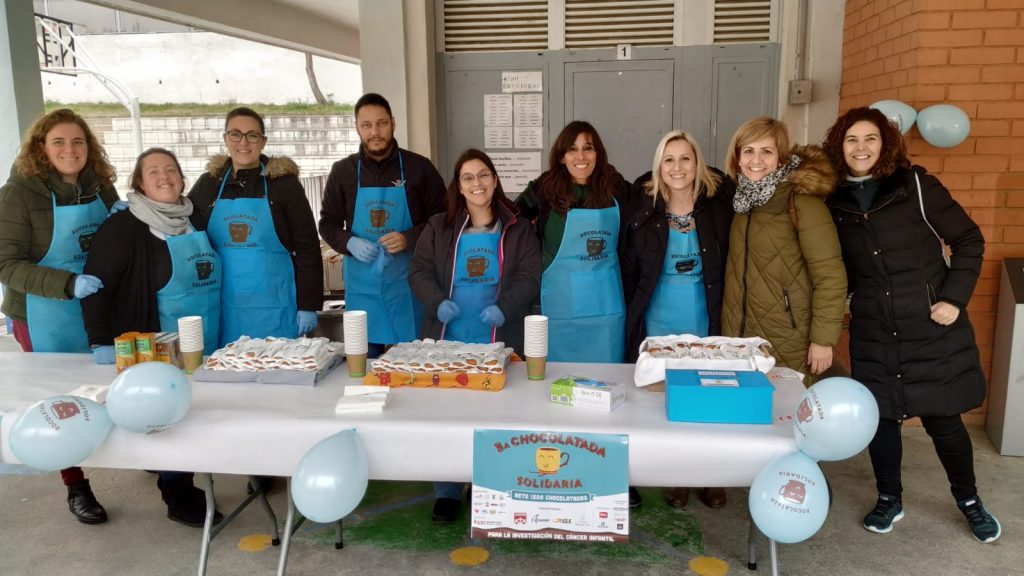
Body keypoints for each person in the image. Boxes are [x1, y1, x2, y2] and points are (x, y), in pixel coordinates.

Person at [823, 107, 999, 543]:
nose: (860, 148)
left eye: (870, 139)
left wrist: (954, 298)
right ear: (838, 146)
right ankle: (889, 498)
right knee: (882, 420)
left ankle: (970, 501)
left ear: (885, 144)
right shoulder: (833, 200)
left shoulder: (916, 185)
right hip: (875, 329)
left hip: (930, 326)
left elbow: (968, 239)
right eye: (851, 140)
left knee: (944, 420)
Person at [82, 148, 224, 527]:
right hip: (156, 342)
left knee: (196, 411)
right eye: (153, 172)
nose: (165, 177)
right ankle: (177, 492)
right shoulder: (124, 227)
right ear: (139, 184)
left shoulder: (196, 217)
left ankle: (176, 467)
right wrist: (99, 340)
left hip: (205, 335)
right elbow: (97, 285)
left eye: (171, 170)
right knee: (167, 412)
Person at [0, 108, 119, 524]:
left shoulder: (100, 186)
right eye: (59, 142)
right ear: (41, 148)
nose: (70, 150)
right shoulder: (19, 192)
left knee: (111, 386)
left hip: (97, 306)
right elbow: (6, 263)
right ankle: (76, 483)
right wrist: (69, 284)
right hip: (42, 311)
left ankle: (141, 458)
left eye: (78, 141)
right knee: (59, 401)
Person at [409, 149, 541, 523]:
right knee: (446, 416)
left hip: (500, 339)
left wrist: (506, 306)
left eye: (483, 175)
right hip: (448, 339)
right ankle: (448, 490)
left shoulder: (517, 227)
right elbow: (418, 272)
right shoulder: (439, 227)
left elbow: (530, 276)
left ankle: (494, 485)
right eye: (468, 177)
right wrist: (437, 302)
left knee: (500, 419)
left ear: (495, 180)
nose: (477, 183)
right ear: (459, 185)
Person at [622, 130, 734, 510]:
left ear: (698, 163)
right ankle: (679, 478)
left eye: (685, 158)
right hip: (658, 319)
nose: (677, 167)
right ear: (659, 166)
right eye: (669, 159)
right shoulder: (644, 210)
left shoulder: (719, 207)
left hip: (705, 315)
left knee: (707, 402)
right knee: (668, 405)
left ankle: (711, 477)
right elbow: (630, 268)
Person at [319, 93, 446, 356]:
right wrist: (350, 243)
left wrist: (409, 237)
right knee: (365, 369)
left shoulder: (419, 168)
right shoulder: (342, 172)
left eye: (381, 123)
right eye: (366, 125)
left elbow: (443, 220)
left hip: (410, 289)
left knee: (414, 370)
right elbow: (327, 224)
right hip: (362, 289)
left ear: (393, 123)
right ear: (357, 127)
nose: (375, 132)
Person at [720, 116, 846, 381]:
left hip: (787, 336)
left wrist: (823, 340)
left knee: (787, 414)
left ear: (781, 158)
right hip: (738, 336)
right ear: (737, 158)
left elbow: (830, 276)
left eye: (767, 152)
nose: (757, 160)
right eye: (749, 151)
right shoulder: (740, 202)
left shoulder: (801, 203)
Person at [188, 106, 322, 347]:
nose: (244, 142)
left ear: (263, 141)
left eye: (252, 135)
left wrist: (308, 304)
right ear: (226, 139)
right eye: (236, 134)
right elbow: (182, 223)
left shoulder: (284, 184)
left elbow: (307, 246)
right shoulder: (209, 183)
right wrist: (133, 209)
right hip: (225, 306)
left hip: (275, 305)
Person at [514, 120, 633, 365]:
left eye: (588, 148)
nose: (581, 156)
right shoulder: (544, 190)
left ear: (597, 154)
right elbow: (512, 219)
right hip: (558, 307)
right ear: (561, 157)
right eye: (572, 149)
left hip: (605, 310)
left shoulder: (616, 188)